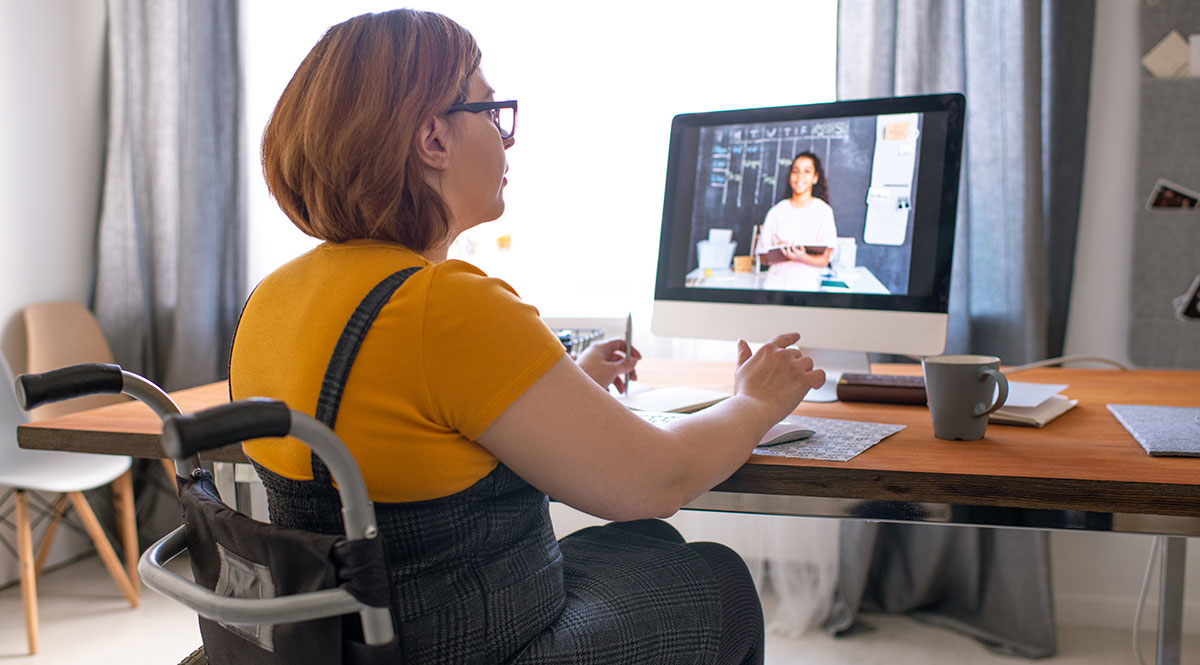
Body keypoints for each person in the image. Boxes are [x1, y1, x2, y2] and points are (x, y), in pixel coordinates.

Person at [230, 9, 825, 664]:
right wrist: (756, 401)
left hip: (337, 643)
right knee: (720, 578)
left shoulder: (270, 298)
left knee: (644, 545)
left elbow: (405, 428)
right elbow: (659, 480)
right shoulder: (444, 303)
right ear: (433, 138)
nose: (506, 138)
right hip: (469, 649)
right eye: (491, 111)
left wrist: (571, 384)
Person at [756, 151, 838, 291]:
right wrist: (782, 252)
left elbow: (824, 260)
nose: (800, 176)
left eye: (807, 171)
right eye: (795, 171)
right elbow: (763, 258)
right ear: (790, 176)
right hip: (775, 286)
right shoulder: (776, 212)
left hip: (808, 287)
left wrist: (801, 257)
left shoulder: (823, 211)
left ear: (815, 178)